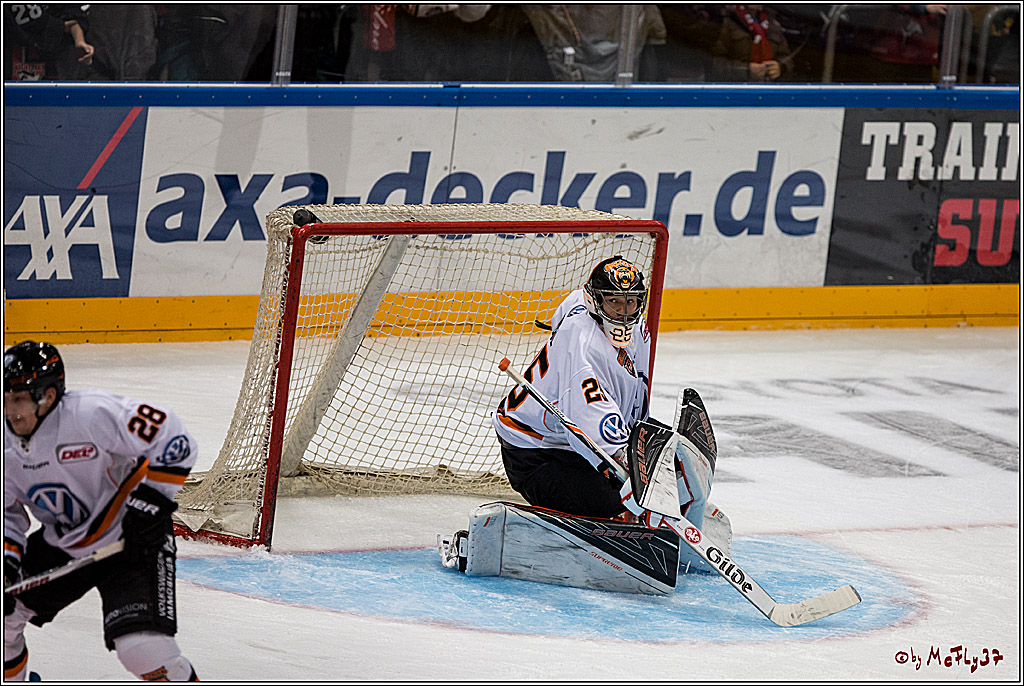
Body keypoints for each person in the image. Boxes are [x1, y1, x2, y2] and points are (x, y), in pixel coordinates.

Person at [492, 256, 725, 563]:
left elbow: (571, 302)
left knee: (662, 459)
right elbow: (588, 428)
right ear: (596, 302)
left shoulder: (610, 318)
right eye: (615, 303)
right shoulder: (585, 349)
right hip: (537, 453)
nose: (624, 313)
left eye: (631, 303)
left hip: (573, 437)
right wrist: (631, 483)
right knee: (616, 505)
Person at [3, 341, 198, 681]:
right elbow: (6, 515)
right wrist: (5, 565)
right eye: (5, 398)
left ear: (47, 396)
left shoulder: (91, 413)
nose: (11, 410)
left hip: (133, 534)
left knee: (142, 650)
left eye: (18, 398)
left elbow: (174, 438)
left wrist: (150, 505)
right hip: (66, 543)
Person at [710, 4, 793, 82]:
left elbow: (787, 58)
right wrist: (746, 70)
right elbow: (712, 62)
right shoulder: (724, 19)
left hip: (768, 89)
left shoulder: (773, 22)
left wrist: (781, 68)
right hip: (735, 90)